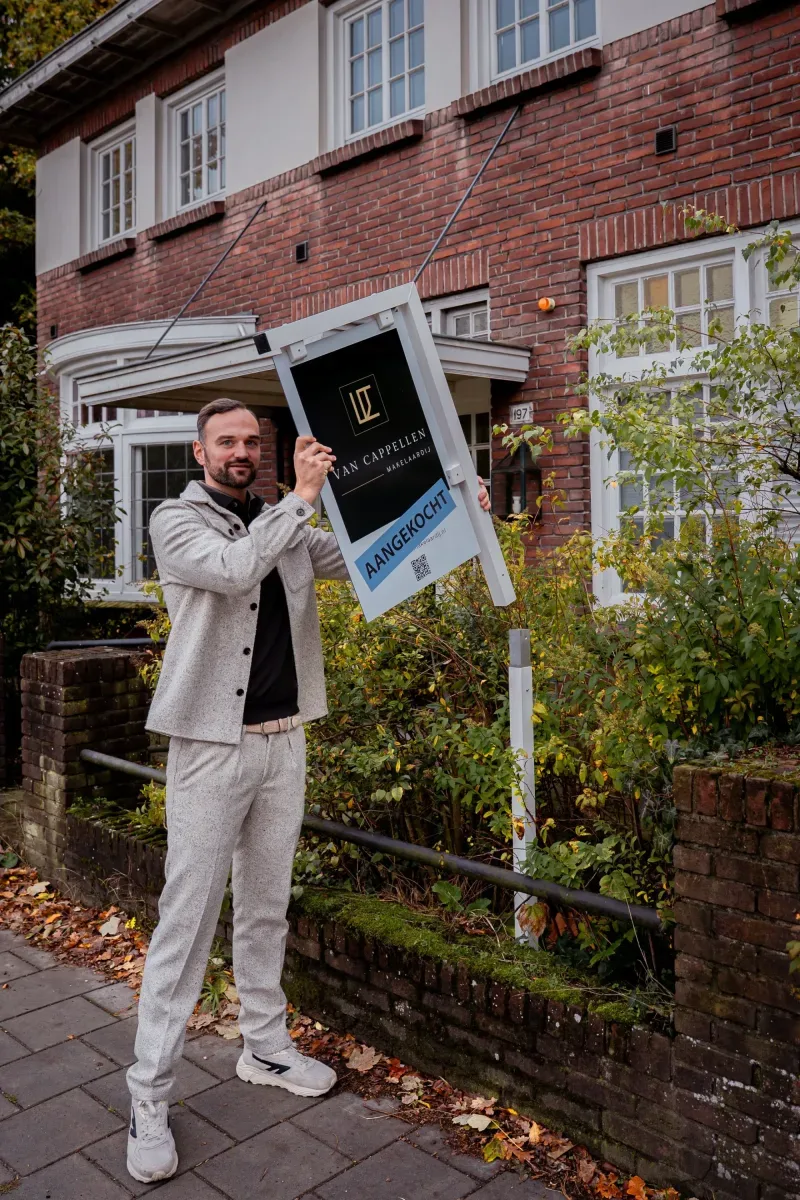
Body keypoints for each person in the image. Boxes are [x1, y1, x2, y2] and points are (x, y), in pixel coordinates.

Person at [125, 396, 491, 1184]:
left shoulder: (283, 523)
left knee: (265, 904)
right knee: (186, 922)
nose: (240, 451)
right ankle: (147, 1095)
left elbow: (371, 556)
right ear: (199, 452)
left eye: (249, 440)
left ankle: (264, 1048)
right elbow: (232, 571)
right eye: (225, 441)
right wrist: (297, 498)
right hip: (210, 750)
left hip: (284, 741)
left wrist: (459, 505)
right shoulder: (175, 521)